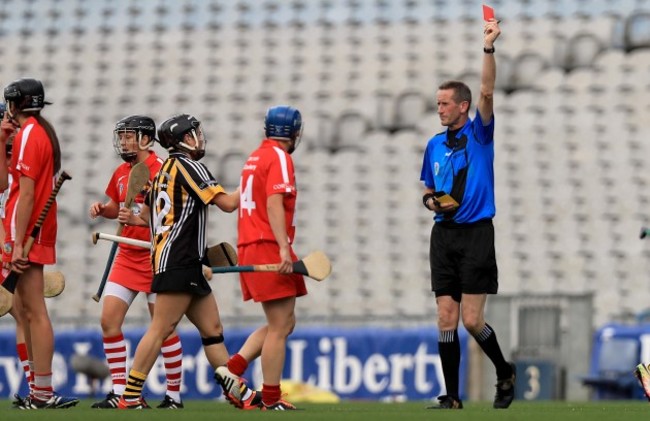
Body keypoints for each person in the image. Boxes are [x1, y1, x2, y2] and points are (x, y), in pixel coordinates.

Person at [116, 113, 242, 409]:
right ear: (185, 138)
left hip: (186, 262)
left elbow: (148, 217)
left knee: (213, 331)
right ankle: (130, 395)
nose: (200, 136)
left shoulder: (163, 171)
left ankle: (236, 392)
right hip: (180, 261)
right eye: (195, 132)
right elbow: (228, 204)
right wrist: (253, 178)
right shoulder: (188, 166)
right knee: (161, 328)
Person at [419, 20, 515, 410]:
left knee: (472, 321)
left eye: (444, 103)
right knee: (446, 316)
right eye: (437, 103)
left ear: (463, 105)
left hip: (476, 233)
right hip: (443, 235)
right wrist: (431, 203)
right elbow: (427, 188)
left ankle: (504, 370)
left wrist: (488, 48)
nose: (439, 109)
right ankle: (452, 397)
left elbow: (488, 91)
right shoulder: (433, 145)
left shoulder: (480, 134)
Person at [88, 115, 184, 409]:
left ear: (145, 139)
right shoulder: (120, 172)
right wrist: (104, 210)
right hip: (127, 256)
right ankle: (121, 390)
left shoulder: (163, 171)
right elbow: (118, 206)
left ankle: (173, 395)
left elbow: (172, 219)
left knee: (164, 328)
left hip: (157, 257)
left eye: (129, 136)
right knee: (109, 321)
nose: (124, 142)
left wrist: (139, 222)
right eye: (123, 136)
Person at [215, 105, 305, 411]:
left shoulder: (254, 157)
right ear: (293, 132)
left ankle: (232, 369)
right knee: (280, 327)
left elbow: (238, 201)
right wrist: (283, 248)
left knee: (284, 322)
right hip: (268, 243)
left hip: (251, 242)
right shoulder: (279, 156)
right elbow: (274, 201)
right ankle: (270, 398)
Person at [0, 77, 78, 409]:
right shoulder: (34, 132)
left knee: (34, 312)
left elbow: (27, 194)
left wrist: (17, 244)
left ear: (15, 103)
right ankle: (38, 391)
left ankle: (43, 393)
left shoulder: (32, 134)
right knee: (26, 311)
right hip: (25, 227)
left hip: (27, 229)